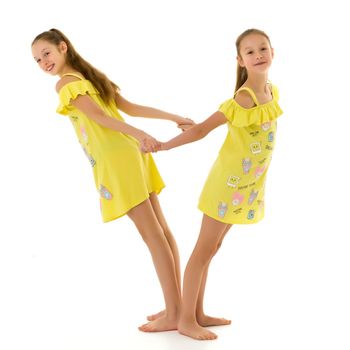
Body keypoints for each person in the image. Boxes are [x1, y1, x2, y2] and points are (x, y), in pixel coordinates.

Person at [31, 28, 194, 332]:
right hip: (131, 153)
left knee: (152, 235)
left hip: (116, 159)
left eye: (46, 54)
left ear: (63, 47)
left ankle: (174, 313)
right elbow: (130, 108)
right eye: (37, 60)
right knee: (161, 230)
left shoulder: (66, 83)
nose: (43, 62)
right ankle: (178, 305)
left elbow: (103, 119)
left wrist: (144, 133)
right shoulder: (90, 76)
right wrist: (173, 117)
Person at [143, 28, 283, 340]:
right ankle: (185, 321)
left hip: (248, 185)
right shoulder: (242, 99)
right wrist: (165, 145)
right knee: (204, 250)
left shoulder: (271, 91)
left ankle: (198, 313)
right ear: (240, 60)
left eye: (263, 48)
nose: (258, 54)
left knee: (213, 247)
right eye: (250, 51)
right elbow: (202, 130)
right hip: (226, 186)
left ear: (274, 52)